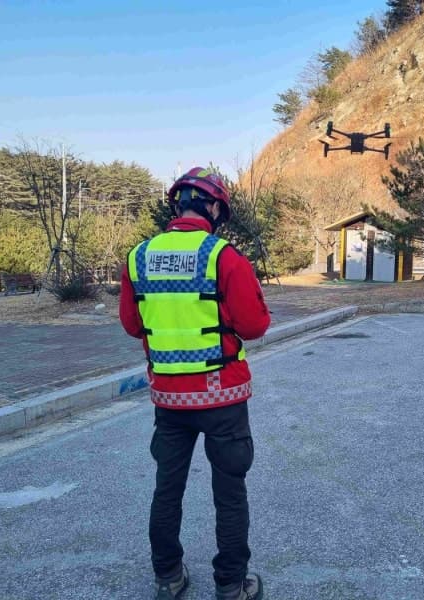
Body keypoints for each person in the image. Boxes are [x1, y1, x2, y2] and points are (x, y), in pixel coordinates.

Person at [120, 166, 270, 600]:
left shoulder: (138, 257)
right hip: (222, 395)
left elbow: (133, 325)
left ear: (176, 206)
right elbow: (254, 325)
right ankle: (230, 583)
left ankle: (168, 577)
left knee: (168, 486)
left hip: (168, 399)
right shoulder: (223, 256)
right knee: (229, 490)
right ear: (215, 208)